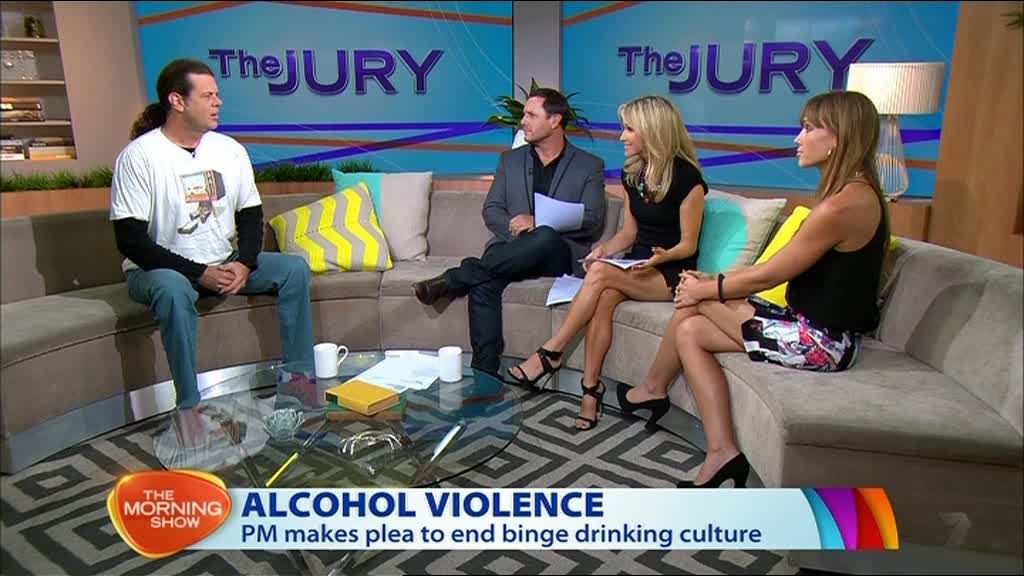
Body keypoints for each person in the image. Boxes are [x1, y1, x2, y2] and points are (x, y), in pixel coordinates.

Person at [620, 90, 890, 488]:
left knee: (692, 297)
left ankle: (655, 390)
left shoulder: (841, 207)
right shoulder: (854, 193)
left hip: (823, 343)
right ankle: (720, 450)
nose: (798, 138)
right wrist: (709, 286)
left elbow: (769, 275)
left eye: (808, 128)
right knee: (690, 327)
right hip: (807, 324)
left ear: (838, 137)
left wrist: (709, 287)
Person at [111, 58, 315, 408]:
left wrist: (245, 263)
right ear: (177, 101)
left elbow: (250, 215)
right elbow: (131, 240)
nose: (218, 102)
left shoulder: (229, 150)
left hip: (223, 262)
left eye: (217, 95)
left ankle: (298, 386)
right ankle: (189, 406)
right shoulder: (139, 157)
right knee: (173, 290)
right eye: (208, 96)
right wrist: (198, 272)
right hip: (159, 271)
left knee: (294, 269)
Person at [506, 95, 707, 431]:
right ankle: (590, 391)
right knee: (602, 296)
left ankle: (551, 352)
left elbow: (688, 244)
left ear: (652, 130)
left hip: (670, 271)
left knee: (600, 276)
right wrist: (602, 250)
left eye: (629, 129)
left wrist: (662, 257)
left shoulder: (688, 180)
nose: (622, 136)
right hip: (637, 265)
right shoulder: (632, 175)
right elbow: (629, 234)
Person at [412, 88, 607, 378]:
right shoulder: (510, 161)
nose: (523, 121)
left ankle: (454, 279)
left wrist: (537, 221)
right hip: (510, 247)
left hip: (556, 253)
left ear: (555, 120)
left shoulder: (588, 165)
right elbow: (492, 209)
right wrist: (516, 233)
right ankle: (485, 376)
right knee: (483, 282)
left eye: (531, 115)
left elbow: (592, 219)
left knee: (545, 235)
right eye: (524, 114)